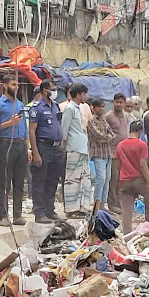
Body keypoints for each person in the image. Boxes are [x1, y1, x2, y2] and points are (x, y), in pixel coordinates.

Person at [0, 75, 28, 226]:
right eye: (13, 84)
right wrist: (9, 123)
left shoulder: (20, 104)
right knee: (5, 182)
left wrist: (28, 147)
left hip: (21, 145)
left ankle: (18, 215)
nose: (16, 87)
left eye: (17, 85)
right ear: (4, 85)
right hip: (7, 144)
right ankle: (3, 216)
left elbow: (24, 127)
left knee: (20, 182)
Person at [28, 80, 65, 224]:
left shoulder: (55, 106)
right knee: (40, 180)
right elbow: (32, 131)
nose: (55, 92)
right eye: (53, 89)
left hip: (56, 148)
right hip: (43, 146)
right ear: (45, 91)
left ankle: (50, 210)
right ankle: (39, 212)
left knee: (53, 180)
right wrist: (35, 153)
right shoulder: (37, 107)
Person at [116, 121, 149, 233]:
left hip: (125, 181)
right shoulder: (142, 145)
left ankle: (127, 236)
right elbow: (143, 165)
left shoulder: (120, 145)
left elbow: (118, 164)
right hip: (139, 180)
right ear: (140, 131)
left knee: (126, 212)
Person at [61, 83, 91, 217]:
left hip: (82, 148)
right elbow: (64, 130)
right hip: (74, 148)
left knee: (83, 179)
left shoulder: (77, 108)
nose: (85, 96)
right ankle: (71, 209)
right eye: (83, 94)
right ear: (78, 95)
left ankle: (81, 207)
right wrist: (64, 146)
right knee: (72, 180)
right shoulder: (69, 109)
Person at [86, 98, 114, 212]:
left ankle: (103, 203)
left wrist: (108, 137)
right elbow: (98, 136)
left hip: (107, 153)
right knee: (100, 179)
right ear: (93, 108)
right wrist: (108, 137)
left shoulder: (103, 119)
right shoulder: (91, 121)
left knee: (107, 180)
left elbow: (111, 133)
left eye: (103, 107)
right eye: (99, 107)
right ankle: (97, 204)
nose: (102, 109)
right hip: (98, 154)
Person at [103, 93, 129, 213]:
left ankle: (120, 202)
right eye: (117, 102)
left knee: (122, 180)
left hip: (124, 153)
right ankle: (112, 204)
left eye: (121, 102)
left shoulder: (125, 116)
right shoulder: (108, 116)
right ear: (113, 102)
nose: (119, 104)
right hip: (112, 153)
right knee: (113, 179)